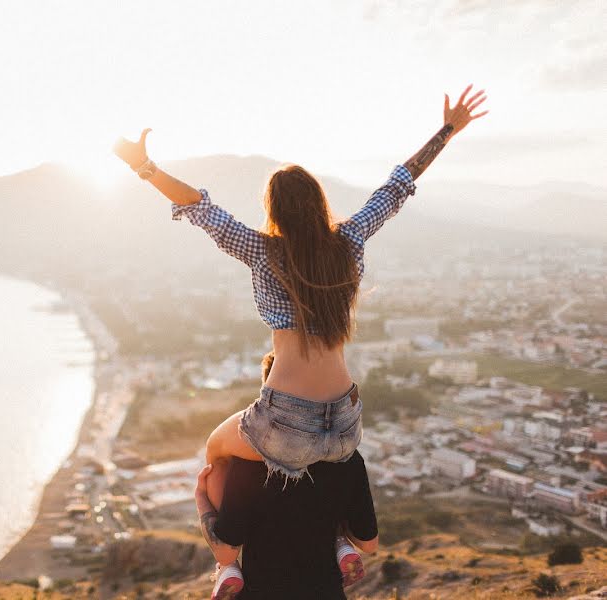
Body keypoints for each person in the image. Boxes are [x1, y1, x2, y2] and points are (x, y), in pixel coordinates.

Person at [114, 85, 488, 597]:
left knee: (215, 453)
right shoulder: (350, 242)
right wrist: (447, 130)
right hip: (346, 421)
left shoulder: (261, 250)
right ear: (318, 205)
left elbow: (201, 208)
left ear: (276, 210)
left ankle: (228, 565)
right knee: (325, 476)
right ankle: (341, 544)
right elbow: (396, 187)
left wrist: (146, 168)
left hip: (284, 416)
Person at [193, 450, 379, 599]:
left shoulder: (246, 463)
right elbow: (369, 544)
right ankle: (340, 542)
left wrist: (201, 497)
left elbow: (226, 552)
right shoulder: (348, 459)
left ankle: (228, 570)